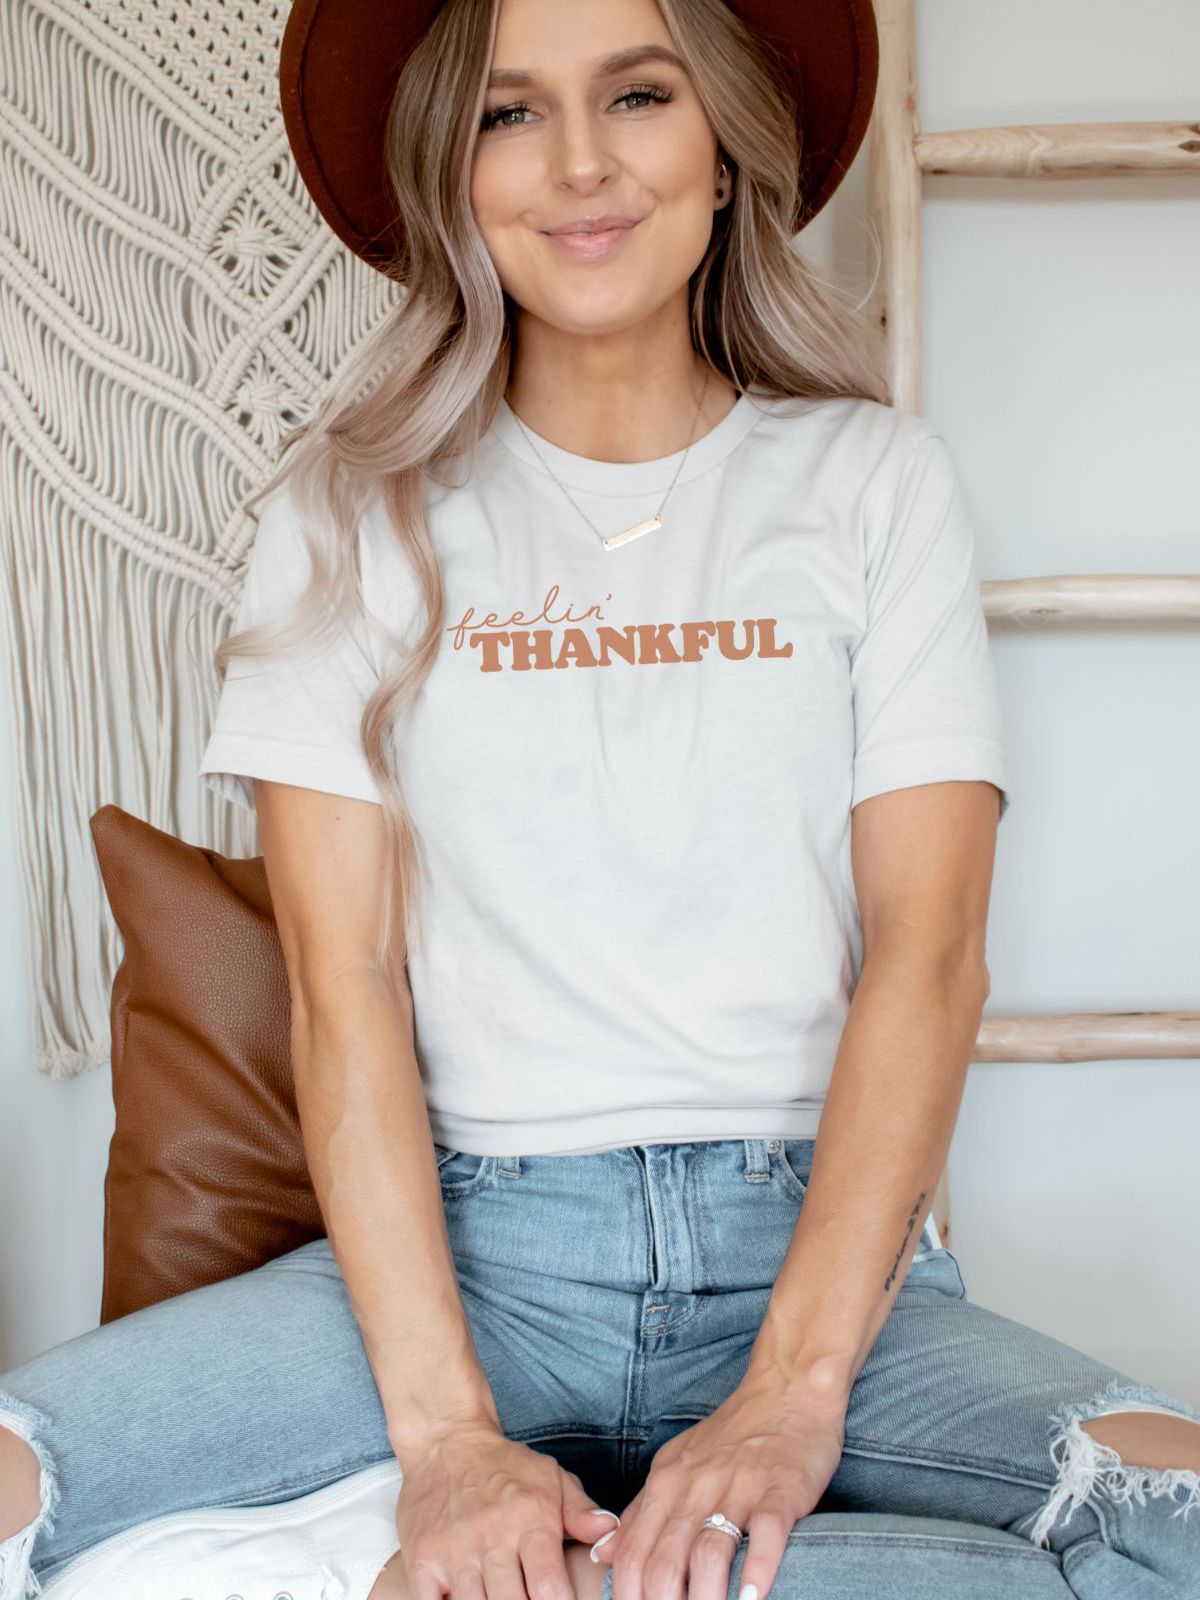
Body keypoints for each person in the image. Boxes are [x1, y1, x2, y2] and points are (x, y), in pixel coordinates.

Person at [2, 1, 1199, 1598]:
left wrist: (788, 1398)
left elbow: (930, 955)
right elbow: (340, 987)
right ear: (451, 170)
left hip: (817, 1267)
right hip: (470, 1265)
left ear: (723, 154)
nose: (577, 163)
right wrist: (442, 1446)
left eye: (638, 93)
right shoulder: (347, 512)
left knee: (1174, 1514)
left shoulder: (870, 483)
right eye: (506, 114)